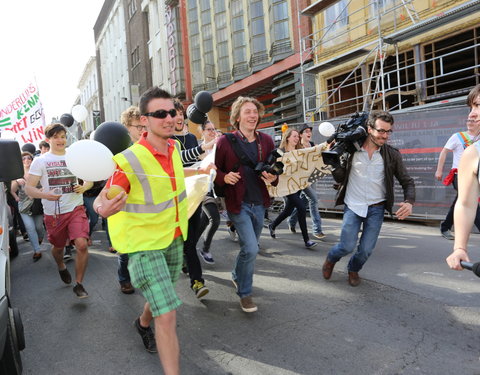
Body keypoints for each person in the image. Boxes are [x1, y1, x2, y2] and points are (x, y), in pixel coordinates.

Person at [93, 86, 213, 374]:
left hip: (173, 239)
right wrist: (100, 208)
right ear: (144, 120)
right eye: (160, 113)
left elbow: (171, 175)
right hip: (143, 247)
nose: (169, 117)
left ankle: (142, 323)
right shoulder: (129, 160)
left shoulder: (174, 147)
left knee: (162, 296)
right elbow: (105, 195)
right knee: (168, 313)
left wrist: (199, 171)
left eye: (172, 111)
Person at [322, 110, 415, 286]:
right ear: (369, 129)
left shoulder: (392, 154)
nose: (385, 136)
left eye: (388, 131)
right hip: (353, 204)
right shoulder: (351, 150)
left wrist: (409, 202)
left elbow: (407, 181)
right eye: (381, 131)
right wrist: (334, 165)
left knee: (366, 250)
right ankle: (331, 259)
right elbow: (341, 178)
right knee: (346, 246)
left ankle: (353, 269)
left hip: (376, 208)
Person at [215, 96, 278, 313]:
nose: (252, 116)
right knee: (251, 248)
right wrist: (224, 177)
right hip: (238, 203)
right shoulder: (225, 142)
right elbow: (213, 171)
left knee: (248, 249)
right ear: (237, 116)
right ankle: (245, 293)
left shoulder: (267, 141)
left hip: (260, 202)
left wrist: (273, 178)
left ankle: (236, 275)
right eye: (247, 111)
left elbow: (275, 169)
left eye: (255, 111)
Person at [26, 123, 93, 298]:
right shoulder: (41, 160)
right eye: (56, 137)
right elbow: (29, 189)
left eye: (63, 136)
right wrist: (45, 195)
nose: (60, 140)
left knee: (82, 245)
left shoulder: (74, 156)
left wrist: (84, 187)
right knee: (57, 247)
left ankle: (79, 284)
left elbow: (89, 180)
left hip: (75, 208)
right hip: (54, 213)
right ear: (49, 140)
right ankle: (61, 266)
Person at [171, 99, 215, 298]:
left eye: (181, 113)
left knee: (189, 240)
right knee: (176, 240)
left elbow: (197, 162)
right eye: (175, 113)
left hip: (192, 194)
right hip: (172, 198)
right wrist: (203, 149)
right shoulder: (166, 140)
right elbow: (177, 161)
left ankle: (197, 282)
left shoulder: (190, 138)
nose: (179, 117)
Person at [446, 85, 480, 270]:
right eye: (471, 108)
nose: (472, 114)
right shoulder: (473, 153)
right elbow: (466, 204)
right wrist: (459, 247)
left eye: (478, 106)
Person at [268, 128, 317, 248]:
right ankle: (307, 240)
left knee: (288, 210)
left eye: (297, 136)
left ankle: (273, 225)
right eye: (294, 136)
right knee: (300, 206)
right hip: (285, 186)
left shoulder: (300, 151)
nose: (296, 138)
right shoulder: (281, 151)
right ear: (288, 137)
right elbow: (273, 166)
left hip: (297, 184)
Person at [435, 114, 480, 240]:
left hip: (475, 175)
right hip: (459, 175)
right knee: (472, 201)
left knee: (460, 202)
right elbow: (444, 152)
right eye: (469, 120)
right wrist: (439, 170)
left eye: (474, 120)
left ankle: (445, 227)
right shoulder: (458, 137)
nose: (470, 122)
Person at [288, 123, 325, 239]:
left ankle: (292, 220)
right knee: (314, 200)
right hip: (302, 179)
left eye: (310, 131)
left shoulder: (313, 145)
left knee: (304, 202)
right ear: (300, 135)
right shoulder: (298, 147)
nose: (309, 133)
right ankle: (317, 229)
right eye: (306, 131)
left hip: (312, 177)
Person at [11, 152, 44, 261]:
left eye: (28, 158)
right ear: (20, 161)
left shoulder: (37, 171)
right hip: (24, 206)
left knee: (39, 227)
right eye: (23, 158)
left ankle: (40, 238)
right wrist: (16, 181)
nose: (26, 160)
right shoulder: (17, 173)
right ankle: (37, 250)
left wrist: (36, 192)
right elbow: (12, 190)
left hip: (37, 204)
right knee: (30, 228)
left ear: (32, 159)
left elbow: (45, 186)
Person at [197, 119, 221, 264]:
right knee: (215, 219)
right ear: (203, 132)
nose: (213, 132)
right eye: (209, 129)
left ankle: (190, 245)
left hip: (215, 189)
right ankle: (205, 249)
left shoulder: (219, 147)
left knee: (205, 221)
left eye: (214, 129)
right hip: (202, 189)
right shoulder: (199, 150)